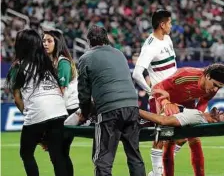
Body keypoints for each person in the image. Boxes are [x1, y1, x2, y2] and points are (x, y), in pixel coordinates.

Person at [78, 25, 145, 176]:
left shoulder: (85, 58)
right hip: (132, 107)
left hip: (109, 110)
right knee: (135, 157)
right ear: (107, 38)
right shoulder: (119, 54)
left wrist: (85, 113)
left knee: (103, 160)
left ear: (89, 42)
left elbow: (83, 93)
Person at [6, 29, 68, 176]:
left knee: (26, 153)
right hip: (59, 111)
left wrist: (29, 116)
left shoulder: (19, 66)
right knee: (57, 156)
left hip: (38, 112)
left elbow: (17, 98)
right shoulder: (47, 64)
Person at [151, 64, 224, 176]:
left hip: (187, 104)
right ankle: (157, 173)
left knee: (194, 138)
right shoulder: (186, 75)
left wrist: (197, 116)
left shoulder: (213, 87)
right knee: (166, 139)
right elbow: (156, 88)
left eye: (219, 87)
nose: (215, 89)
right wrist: (166, 103)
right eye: (215, 85)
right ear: (207, 76)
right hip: (168, 101)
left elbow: (203, 101)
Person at [132, 9, 179, 176]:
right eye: (170, 23)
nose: (171, 26)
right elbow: (137, 73)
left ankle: (161, 167)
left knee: (184, 133)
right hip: (161, 98)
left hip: (175, 94)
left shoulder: (167, 38)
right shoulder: (150, 46)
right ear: (162, 24)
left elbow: (173, 66)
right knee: (161, 137)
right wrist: (152, 91)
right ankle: (158, 173)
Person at [42, 29, 79, 176]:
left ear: (57, 43)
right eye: (44, 41)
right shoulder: (51, 63)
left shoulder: (63, 62)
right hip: (62, 110)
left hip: (67, 111)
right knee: (60, 153)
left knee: (58, 153)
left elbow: (61, 92)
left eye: (49, 41)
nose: (45, 44)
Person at [139, 89, 224, 126]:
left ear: (215, 122)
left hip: (139, 120)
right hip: (147, 118)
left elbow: (163, 120)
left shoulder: (196, 117)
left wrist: (136, 110)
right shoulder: (198, 115)